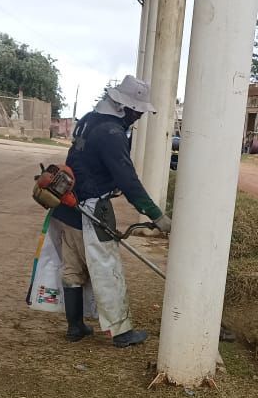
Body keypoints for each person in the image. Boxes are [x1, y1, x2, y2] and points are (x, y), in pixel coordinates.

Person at [49, 75, 171, 348]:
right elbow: (128, 180)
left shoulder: (88, 120)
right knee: (107, 268)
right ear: (122, 106)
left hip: (64, 204)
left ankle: (76, 326)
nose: (139, 116)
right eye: (137, 110)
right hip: (91, 209)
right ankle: (121, 332)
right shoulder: (112, 133)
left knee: (72, 267)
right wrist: (155, 215)